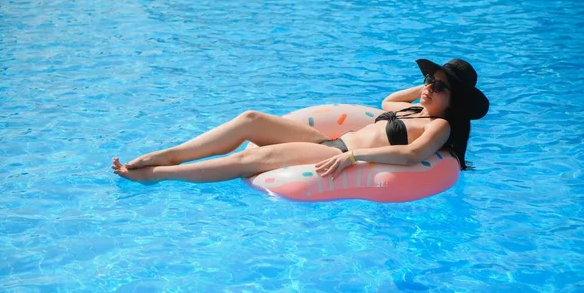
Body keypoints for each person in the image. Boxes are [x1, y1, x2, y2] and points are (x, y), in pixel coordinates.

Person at [112, 58, 489, 183]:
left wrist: (352, 158)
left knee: (249, 160)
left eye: (438, 86)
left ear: (455, 101)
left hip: (337, 151)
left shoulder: (442, 126)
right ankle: (172, 153)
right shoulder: (417, 109)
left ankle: (157, 175)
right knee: (251, 118)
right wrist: (429, 87)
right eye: (429, 80)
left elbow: (411, 155)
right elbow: (387, 100)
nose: (428, 87)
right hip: (327, 141)